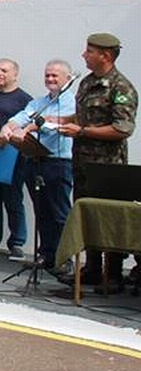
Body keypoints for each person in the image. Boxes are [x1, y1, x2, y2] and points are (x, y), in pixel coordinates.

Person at [59, 33, 136, 291]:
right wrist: (60, 122)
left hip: (108, 166)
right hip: (82, 163)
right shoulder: (87, 83)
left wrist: (81, 131)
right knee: (86, 214)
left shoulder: (120, 87)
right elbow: (84, 116)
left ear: (105, 55)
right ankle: (91, 268)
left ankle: (112, 274)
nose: (84, 55)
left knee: (108, 217)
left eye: (89, 51)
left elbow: (122, 129)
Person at [0, 60, 75, 269]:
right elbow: (23, 115)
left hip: (58, 163)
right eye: (47, 75)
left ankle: (64, 258)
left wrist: (28, 128)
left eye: (55, 76)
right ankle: (47, 254)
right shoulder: (40, 102)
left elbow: (53, 125)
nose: (50, 79)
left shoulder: (70, 103)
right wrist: (10, 126)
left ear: (67, 80)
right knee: (42, 211)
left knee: (59, 212)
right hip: (36, 161)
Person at [0, 58, 33, 258]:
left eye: (4, 70)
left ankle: (17, 242)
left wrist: (9, 137)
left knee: (13, 199)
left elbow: (27, 125)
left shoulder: (24, 100)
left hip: (15, 158)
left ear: (15, 74)